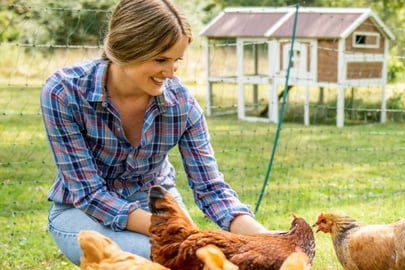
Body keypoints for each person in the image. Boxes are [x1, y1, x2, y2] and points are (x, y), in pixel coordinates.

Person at [40, 0, 268, 266]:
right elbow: (89, 194)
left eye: (177, 60)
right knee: (162, 261)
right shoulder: (64, 92)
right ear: (127, 48)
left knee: (200, 259)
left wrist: (265, 239)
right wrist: (174, 232)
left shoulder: (181, 105)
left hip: (156, 203)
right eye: (161, 60)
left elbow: (211, 189)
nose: (171, 73)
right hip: (82, 211)